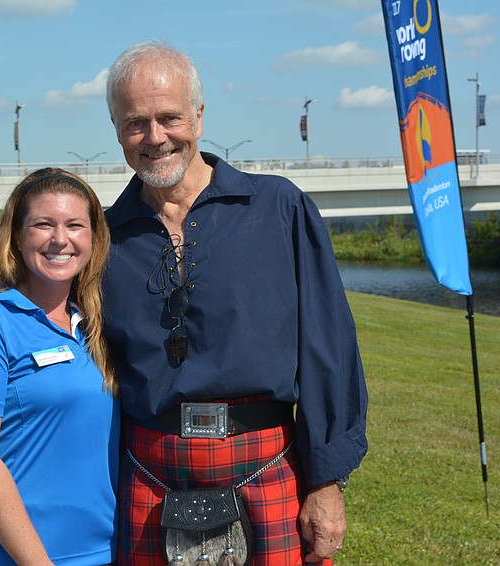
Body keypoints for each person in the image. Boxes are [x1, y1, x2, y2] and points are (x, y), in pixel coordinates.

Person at [102, 41, 368, 565]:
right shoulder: (104, 238)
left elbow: (328, 348)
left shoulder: (279, 209)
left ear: (199, 116)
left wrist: (326, 482)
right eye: (135, 123)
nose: (155, 137)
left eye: (169, 117)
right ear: (116, 128)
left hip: (268, 463)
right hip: (149, 470)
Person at [0, 168, 120, 565]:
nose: (60, 239)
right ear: (17, 237)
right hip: (16, 557)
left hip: (103, 550)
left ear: (94, 238)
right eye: (43, 225)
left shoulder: (95, 326)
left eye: (75, 225)